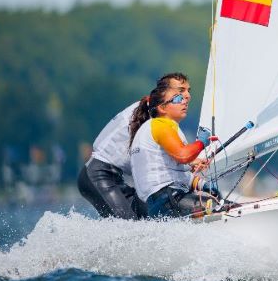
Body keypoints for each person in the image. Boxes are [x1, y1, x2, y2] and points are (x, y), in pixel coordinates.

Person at [77, 73, 186, 219]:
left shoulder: (157, 114)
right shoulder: (153, 114)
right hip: (97, 175)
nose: (186, 96)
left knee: (148, 217)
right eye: (180, 91)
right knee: (129, 226)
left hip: (115, 178)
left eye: (187, 91)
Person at [129, 73, 216, 218]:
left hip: (162, 202)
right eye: (178, 98)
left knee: (220, 204)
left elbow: (176, 172)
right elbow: (183, 156)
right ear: (162, 108)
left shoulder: (162, 128)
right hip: (167, 198)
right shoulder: (160, 125)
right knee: (221, 207)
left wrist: (202, 184)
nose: (184, 100)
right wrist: (202, 142)